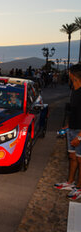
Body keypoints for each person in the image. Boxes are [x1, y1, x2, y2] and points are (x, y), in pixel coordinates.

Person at [54, 64, 81, 200]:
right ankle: (70, 183)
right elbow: (76, 112)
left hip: (79, 132)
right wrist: (68, 125)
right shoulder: (74, 90)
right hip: (72, 128)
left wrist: (80, 137)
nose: (67, 74)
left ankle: (79, 188)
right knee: (72, 157)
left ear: (73, 75)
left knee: (80, 159)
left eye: (69, 72)